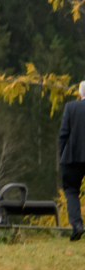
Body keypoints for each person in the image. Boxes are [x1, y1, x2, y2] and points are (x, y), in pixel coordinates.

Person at [57, 82, 85, 242]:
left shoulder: (71, 107)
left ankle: (77, 226)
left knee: (71, 191)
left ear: (80, 94)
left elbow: (63, 134)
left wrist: (63, 155)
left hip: (73, 157)